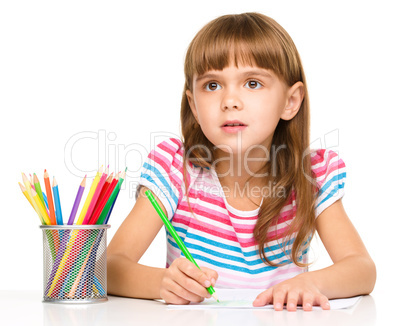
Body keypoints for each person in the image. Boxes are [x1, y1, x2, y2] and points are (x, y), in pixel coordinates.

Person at [107, 12, 376, 311]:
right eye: (212, 85)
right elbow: (108, 267)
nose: (229, 100)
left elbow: (362, 269)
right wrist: (161, 283)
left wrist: (311, 283)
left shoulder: (312, 176)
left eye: (252, 83)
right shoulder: (175, 170)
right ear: (194, 105)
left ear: (290, 101)